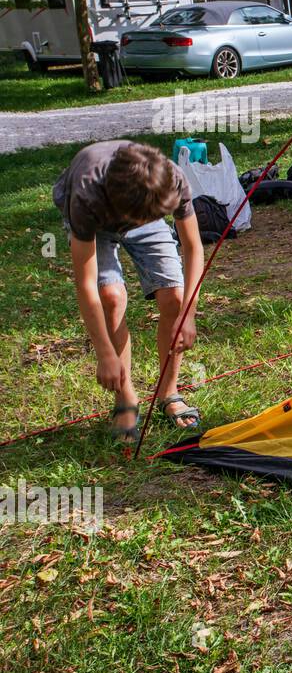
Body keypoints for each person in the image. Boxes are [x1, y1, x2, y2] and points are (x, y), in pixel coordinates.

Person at [53, 140, 205, 445]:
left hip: (142, 206)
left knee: (174, 297)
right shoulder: (86, 194)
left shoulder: (170, 180)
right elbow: (86, 283)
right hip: (98, 221)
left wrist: (188, 313)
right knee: (111, 297)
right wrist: (105, 354)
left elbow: (193, 247)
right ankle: (125, 398)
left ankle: (169, 392)